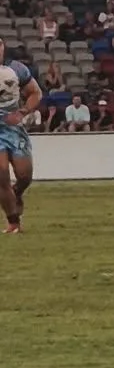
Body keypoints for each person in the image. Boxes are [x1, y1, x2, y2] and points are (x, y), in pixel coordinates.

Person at [0, 38, 40, 232]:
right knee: (1, 174)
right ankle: (13, 222)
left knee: (25, 175)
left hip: (13, 129)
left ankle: (17, 192)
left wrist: (22, 112)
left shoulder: (17, 69)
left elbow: (35, 93)